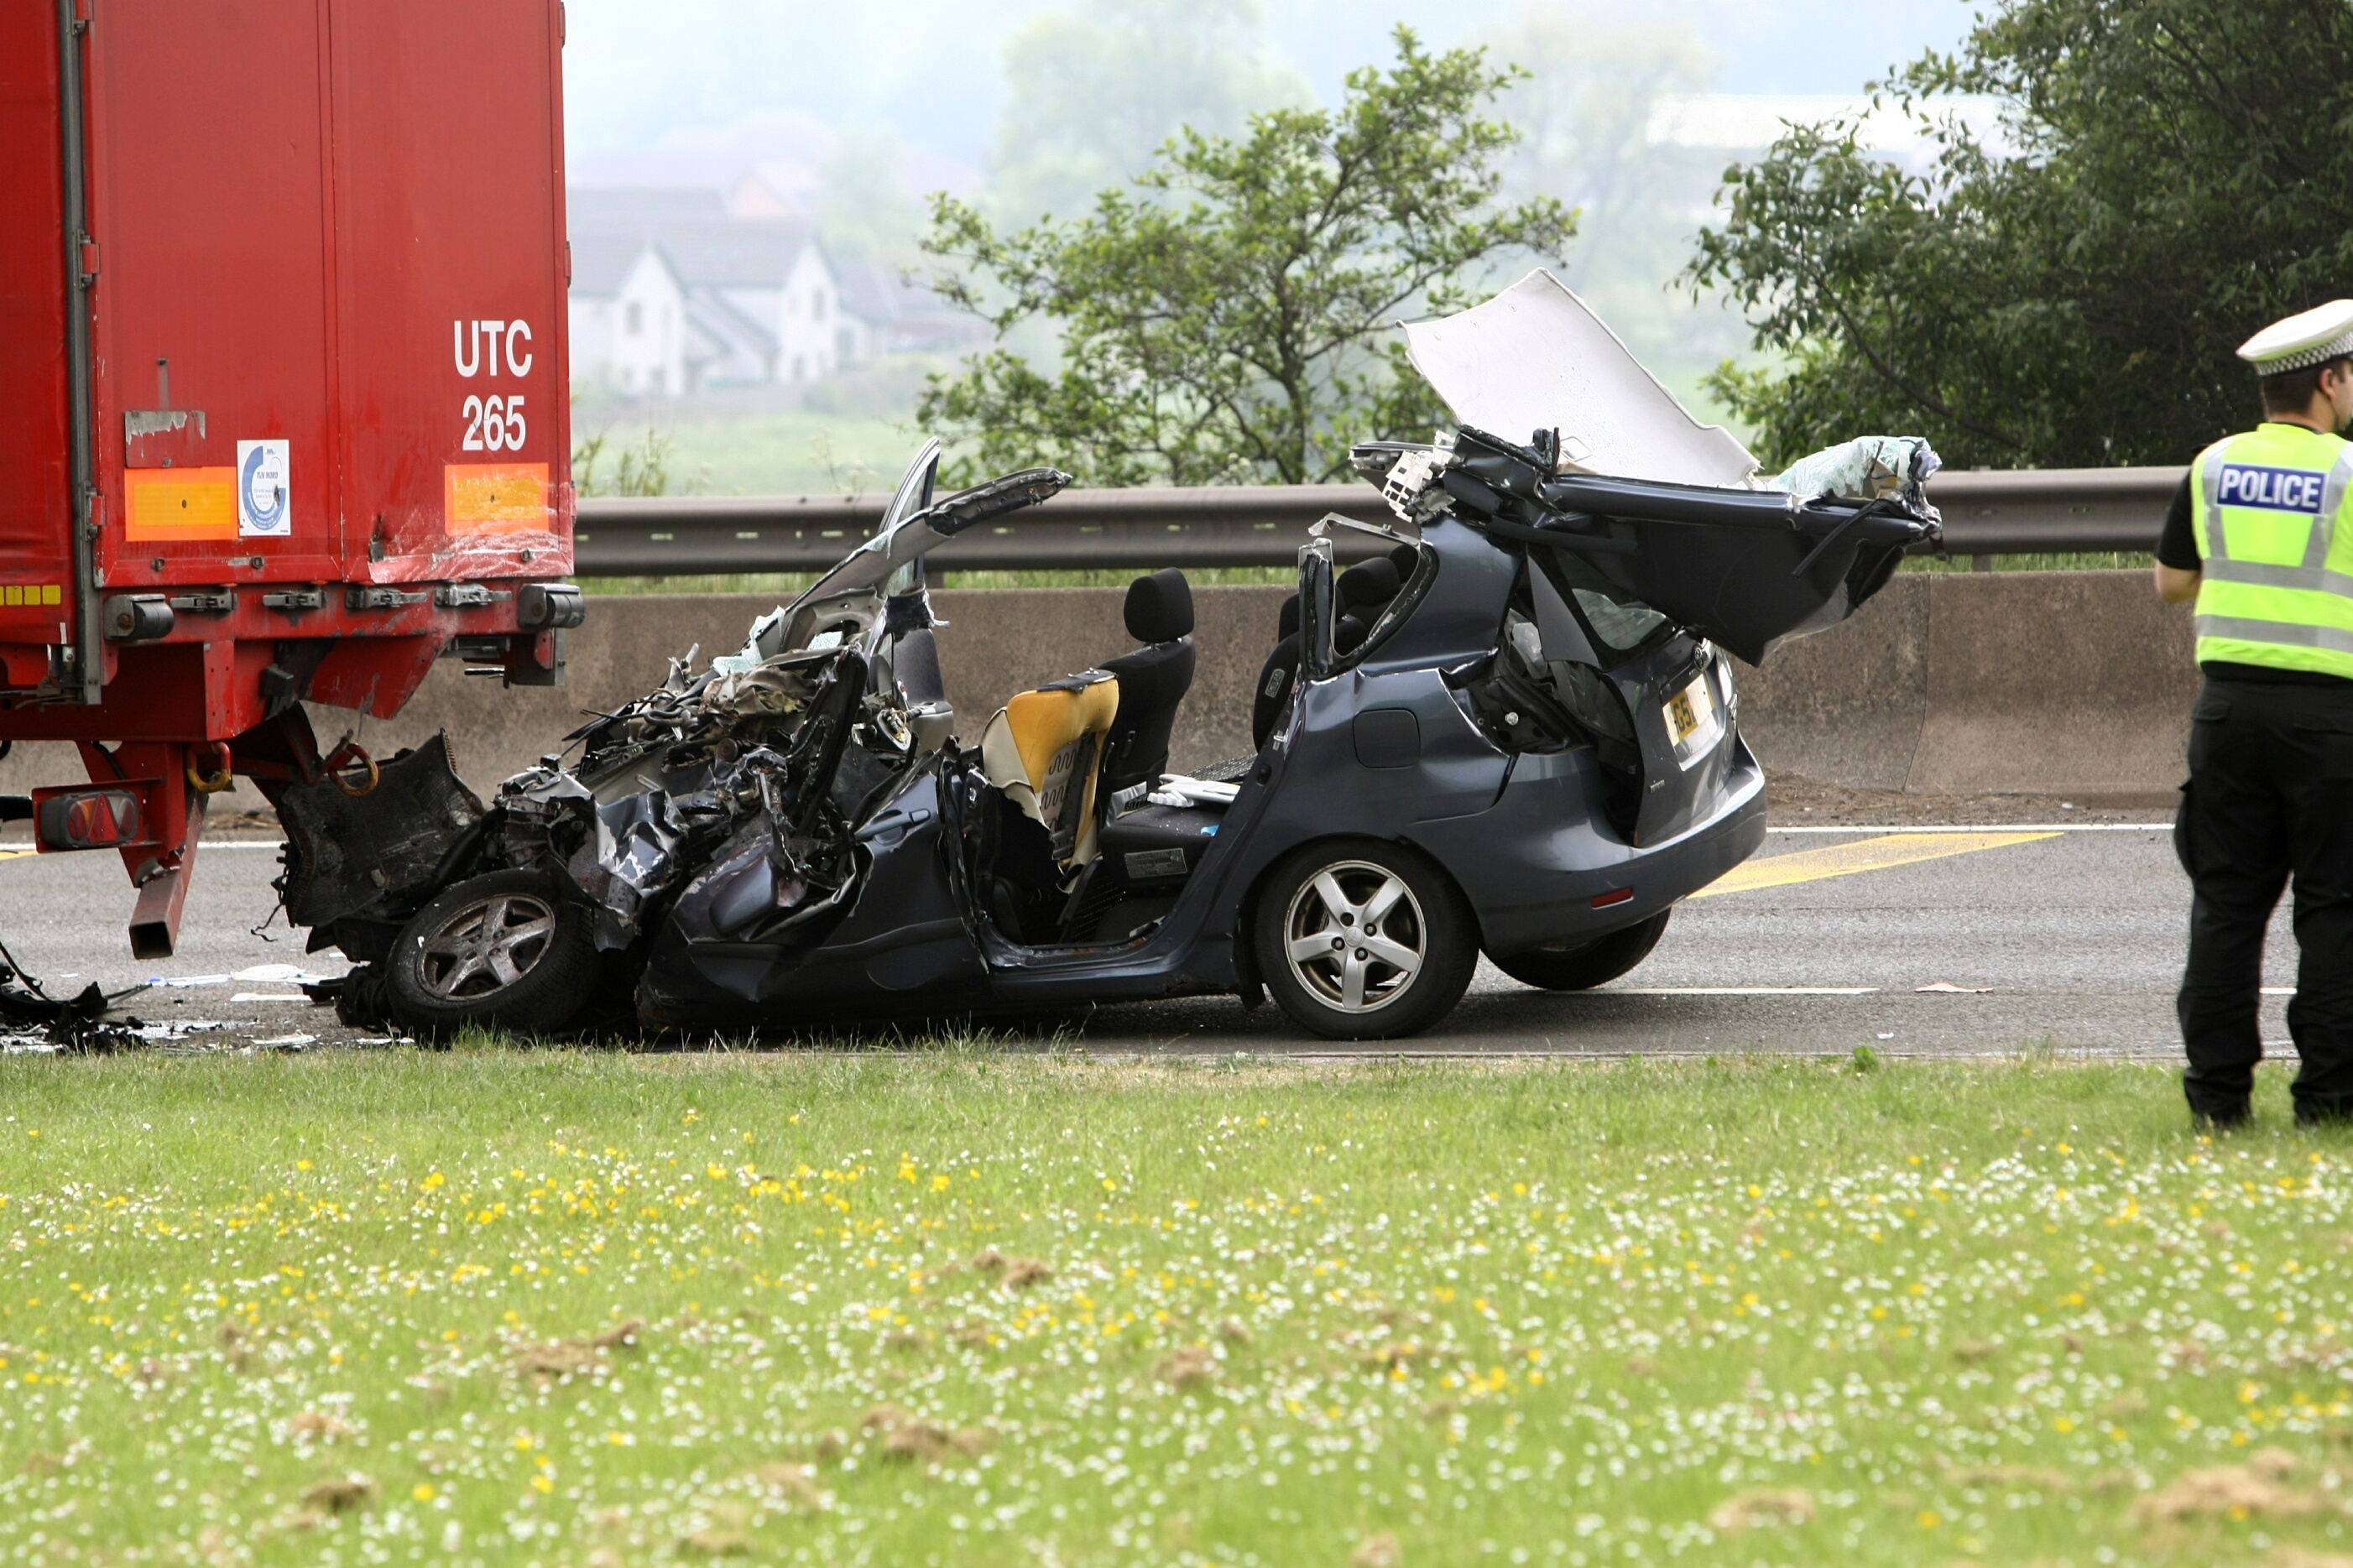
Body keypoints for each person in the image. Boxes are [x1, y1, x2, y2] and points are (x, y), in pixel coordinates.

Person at [2154, 299, 2353, 1128]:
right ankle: (2329, 1099)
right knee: (2333, 907)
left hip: (2226, 713)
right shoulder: (2346, 473)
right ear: (2328, 380)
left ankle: (2215, 1101)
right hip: (2329, 719)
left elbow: (2170, 583)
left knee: (2227, 905)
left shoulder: (2211, 466)